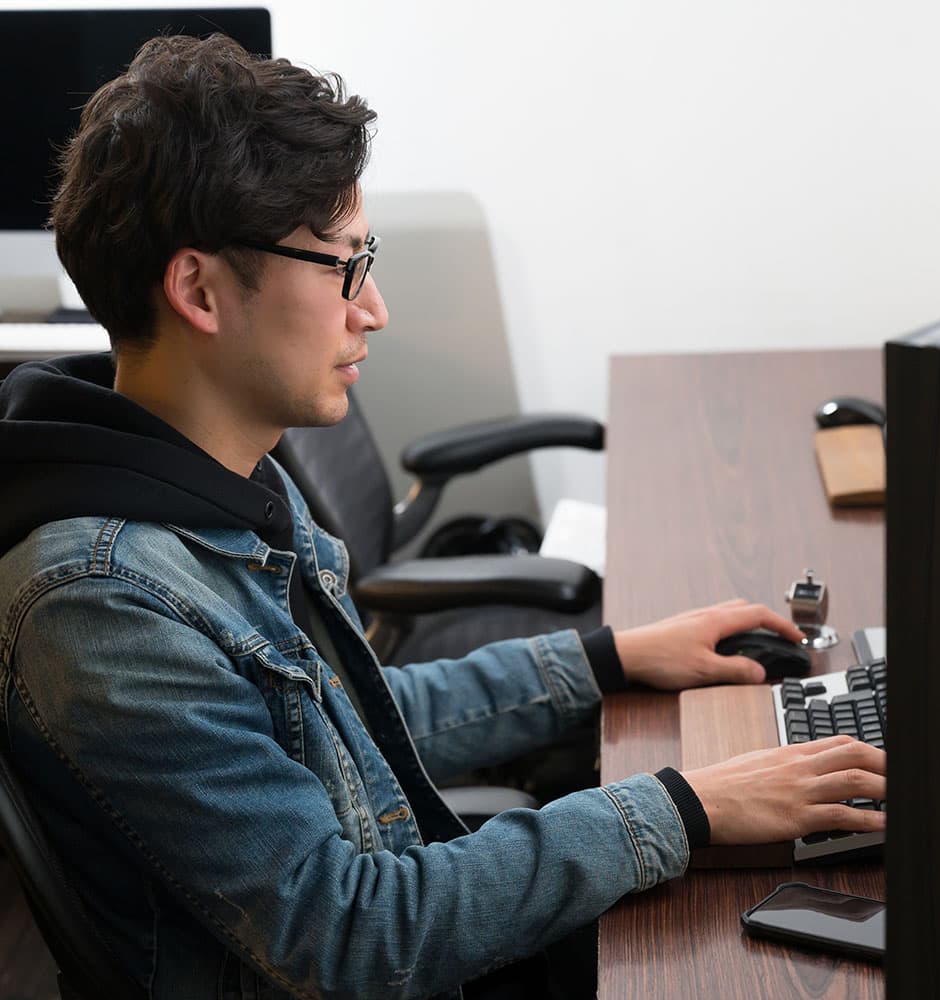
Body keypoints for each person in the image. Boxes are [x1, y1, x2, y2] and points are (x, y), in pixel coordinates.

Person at [0, 34, 886, 1000]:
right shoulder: (102, 606)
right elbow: (351, 932)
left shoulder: (215, 471)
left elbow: (355, 722)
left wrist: (610, 658)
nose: (373, 308)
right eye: (343, 265)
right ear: (199, 289)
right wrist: (685, 806)